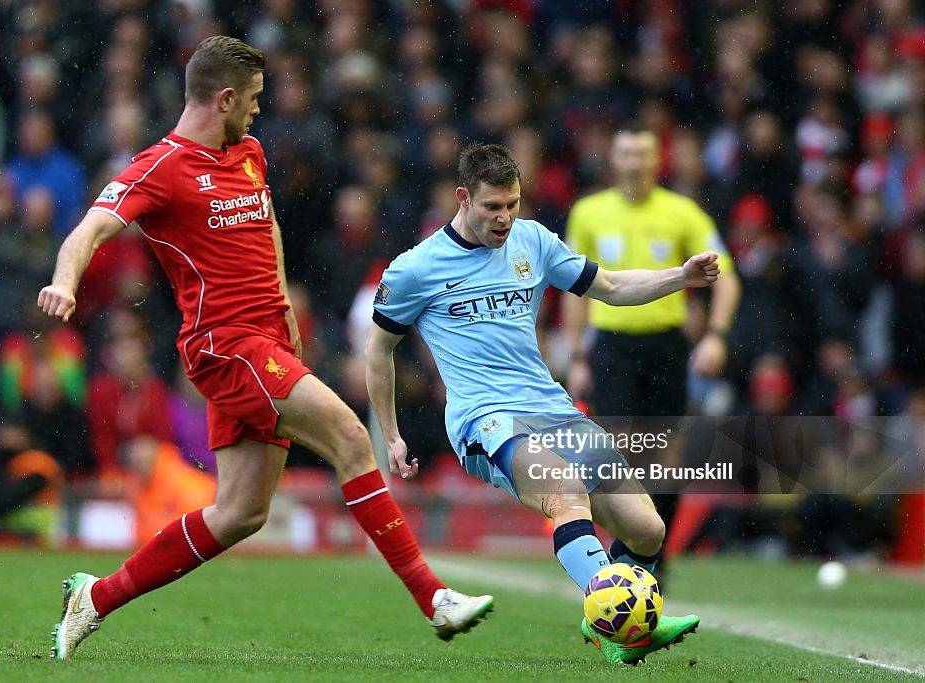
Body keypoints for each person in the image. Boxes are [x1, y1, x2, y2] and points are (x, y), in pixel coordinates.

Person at [38, 36, 492, 660]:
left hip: (268, 340)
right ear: (223, 98)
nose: (257, 112)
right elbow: (89, 229)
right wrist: (65, 282)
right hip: (224, 345)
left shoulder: (248, 152)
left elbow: (266, 226)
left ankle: (96, 598)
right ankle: (432, 597)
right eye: (251, 100)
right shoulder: (158, 168)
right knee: (350, 438)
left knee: (240, 513)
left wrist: (285, 310)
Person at [366, 143, 707, 666]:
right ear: (463, 198)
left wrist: (679, 278)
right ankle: (621, 619)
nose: (505, 218)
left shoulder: (533, 241)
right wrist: (390, 434)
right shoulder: (416, 268)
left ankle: (607, 625)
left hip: (551, 406)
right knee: (565, 493)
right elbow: (379, 350)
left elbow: (612, 288)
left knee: (648, 529)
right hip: (485, 418)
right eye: (492, 207)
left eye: (513, 204)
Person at [561, 121, 741, 582]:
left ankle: (650, 559)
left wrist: (716, 335)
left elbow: (727, 277)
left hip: (665, 346)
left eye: (642, 154)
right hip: (612, 348)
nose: (635, 163)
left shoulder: (682, 213)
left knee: (666, 458)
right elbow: (572, 289)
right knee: (619, 453)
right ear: (613, 160)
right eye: (626, 154)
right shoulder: (589, 212)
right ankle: (627, 556)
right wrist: (579, 356)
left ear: (655, 160)